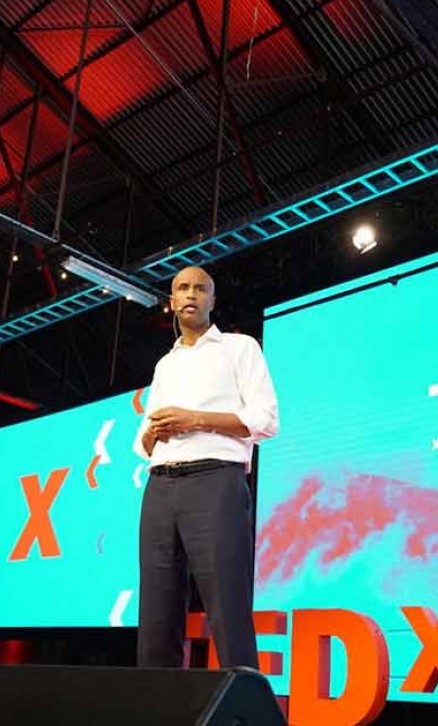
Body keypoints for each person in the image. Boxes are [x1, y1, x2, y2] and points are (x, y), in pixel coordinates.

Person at [133, 266, 278, 668]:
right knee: (156, 612)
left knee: (226, 604)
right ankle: (156, 707)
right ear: (172, 301)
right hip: (160, 485)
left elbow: (265, 420)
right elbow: (142, 441)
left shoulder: (240, 347)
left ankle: (244, 707)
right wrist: (155, 433)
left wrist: (195, 419)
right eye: (182, 288)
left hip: (215, 479)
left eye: (201, 288)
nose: (191, 293)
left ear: (213, 301)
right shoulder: (165, 364)